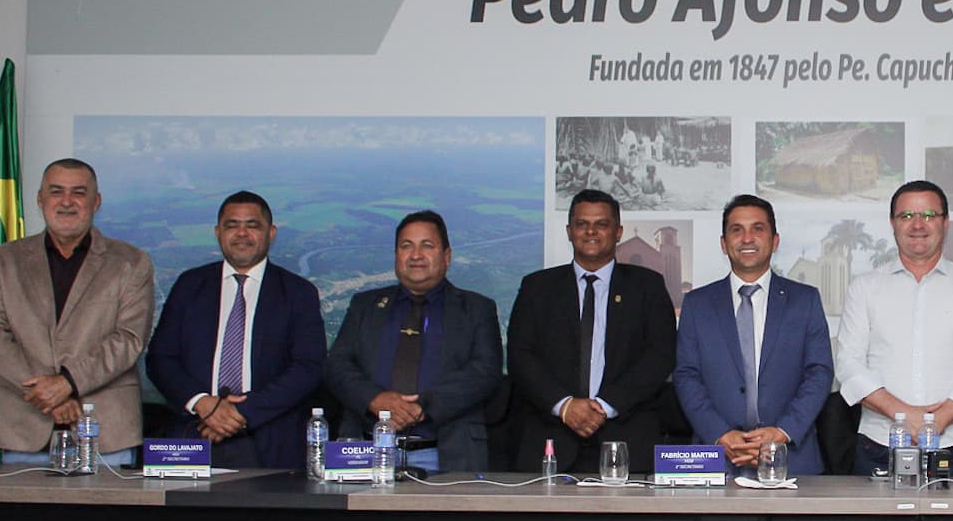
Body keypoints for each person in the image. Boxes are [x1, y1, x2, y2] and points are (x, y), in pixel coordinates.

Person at [0, 158, 154, 465]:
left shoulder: (131, 262)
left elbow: (129, 339)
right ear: (40, 199)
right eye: (56, 191)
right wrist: (47, 395)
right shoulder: (3, 261)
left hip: (106, 432)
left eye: (79, 193)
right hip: (24, 428)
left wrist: (67, 383)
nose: (67, 202)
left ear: (96, 201)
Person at [146, 191, 328, 470]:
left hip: (269, 441)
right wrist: (203, 404)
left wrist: (239, 413)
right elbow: (160, 359)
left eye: (252, 225)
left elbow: (308, 367)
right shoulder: (190, 285)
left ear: (271, 233)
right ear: (218, 232)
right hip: (194, 434)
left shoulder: (298, 292)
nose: (242, 233)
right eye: (232, 225)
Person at [835, 180, 953, 477]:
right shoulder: (865, 288)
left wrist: (938, 420)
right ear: (892, 223)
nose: (918, 225)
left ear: (945, 223)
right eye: (907, 216)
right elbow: (849, 365)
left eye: (929, 215)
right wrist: (904, 416)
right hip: (879, 445)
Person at [506, 188, 677, 472]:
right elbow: (520, 356)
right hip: (550, 439)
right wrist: (565, 406)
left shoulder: (648, 286)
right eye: (582, 224)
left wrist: (605, 406)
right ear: (569, 231)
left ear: (618, 232)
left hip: (627, 441)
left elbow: (660, 355)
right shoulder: (537, 287)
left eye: (601, 224)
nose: (591, 232)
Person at [323, 211, 503, 472]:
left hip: (445, 454)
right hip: (366, 452)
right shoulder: (365, 305)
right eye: (406, 246)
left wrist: (421, 408)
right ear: (396, 255)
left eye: (427, 245)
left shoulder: (476, 309)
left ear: (447, 256)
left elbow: (485, 372)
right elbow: (337, 364)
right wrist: (375, 399)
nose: (416, 255)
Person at [673, 195, 834, 474]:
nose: (747, 238)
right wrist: (720, 434)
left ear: (775, 240)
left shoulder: (805, 300)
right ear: (724, 243)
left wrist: (783, 432)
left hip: (791, 457)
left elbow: (819, 372)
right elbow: (687, 375)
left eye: (758, 228)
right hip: (717, 457)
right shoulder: (698, 304)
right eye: (737, 230)